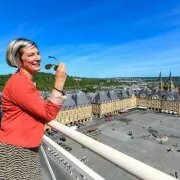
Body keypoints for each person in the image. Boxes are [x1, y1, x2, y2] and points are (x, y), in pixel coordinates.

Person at [0, 38, 67, 179]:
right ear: (18, 61)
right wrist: (59, 81)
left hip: (21, 145)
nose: (38, 58)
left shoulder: (23, 81)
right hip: (16, 149)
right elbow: (48, 114)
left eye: (38, 53)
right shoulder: (19, 84)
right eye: (31, 55)